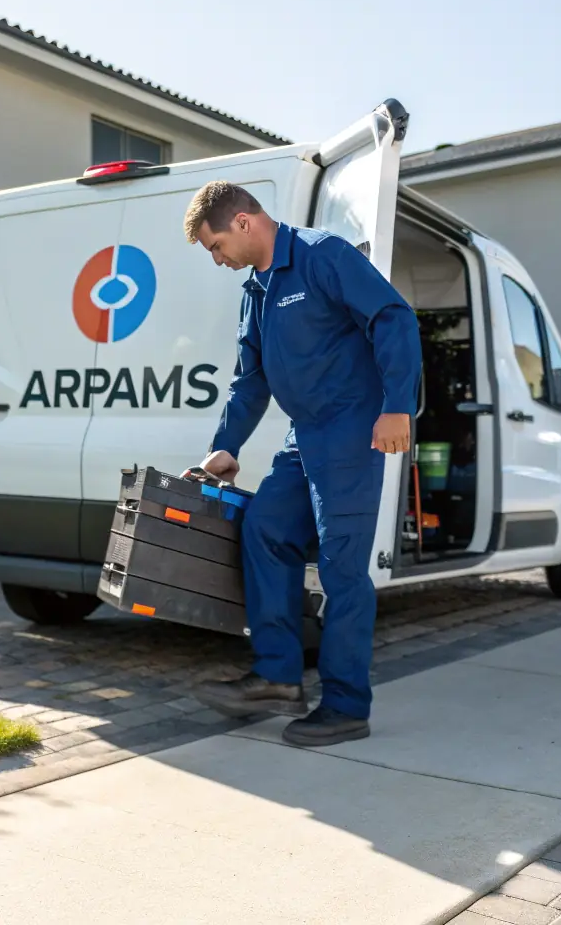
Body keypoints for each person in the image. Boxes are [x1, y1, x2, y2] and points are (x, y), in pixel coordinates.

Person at [183, 180, 421, 747]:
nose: (217, 260)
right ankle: (276, 678)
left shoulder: (321, 255)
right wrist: (226, 446)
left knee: (342, 568)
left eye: (215, 246)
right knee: (265, 529)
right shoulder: (256, 292)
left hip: (351, 432)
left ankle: (345, 706)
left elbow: (394, 318)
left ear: (243, 222)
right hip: (303, 437)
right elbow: (251, 379)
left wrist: (396, 408)